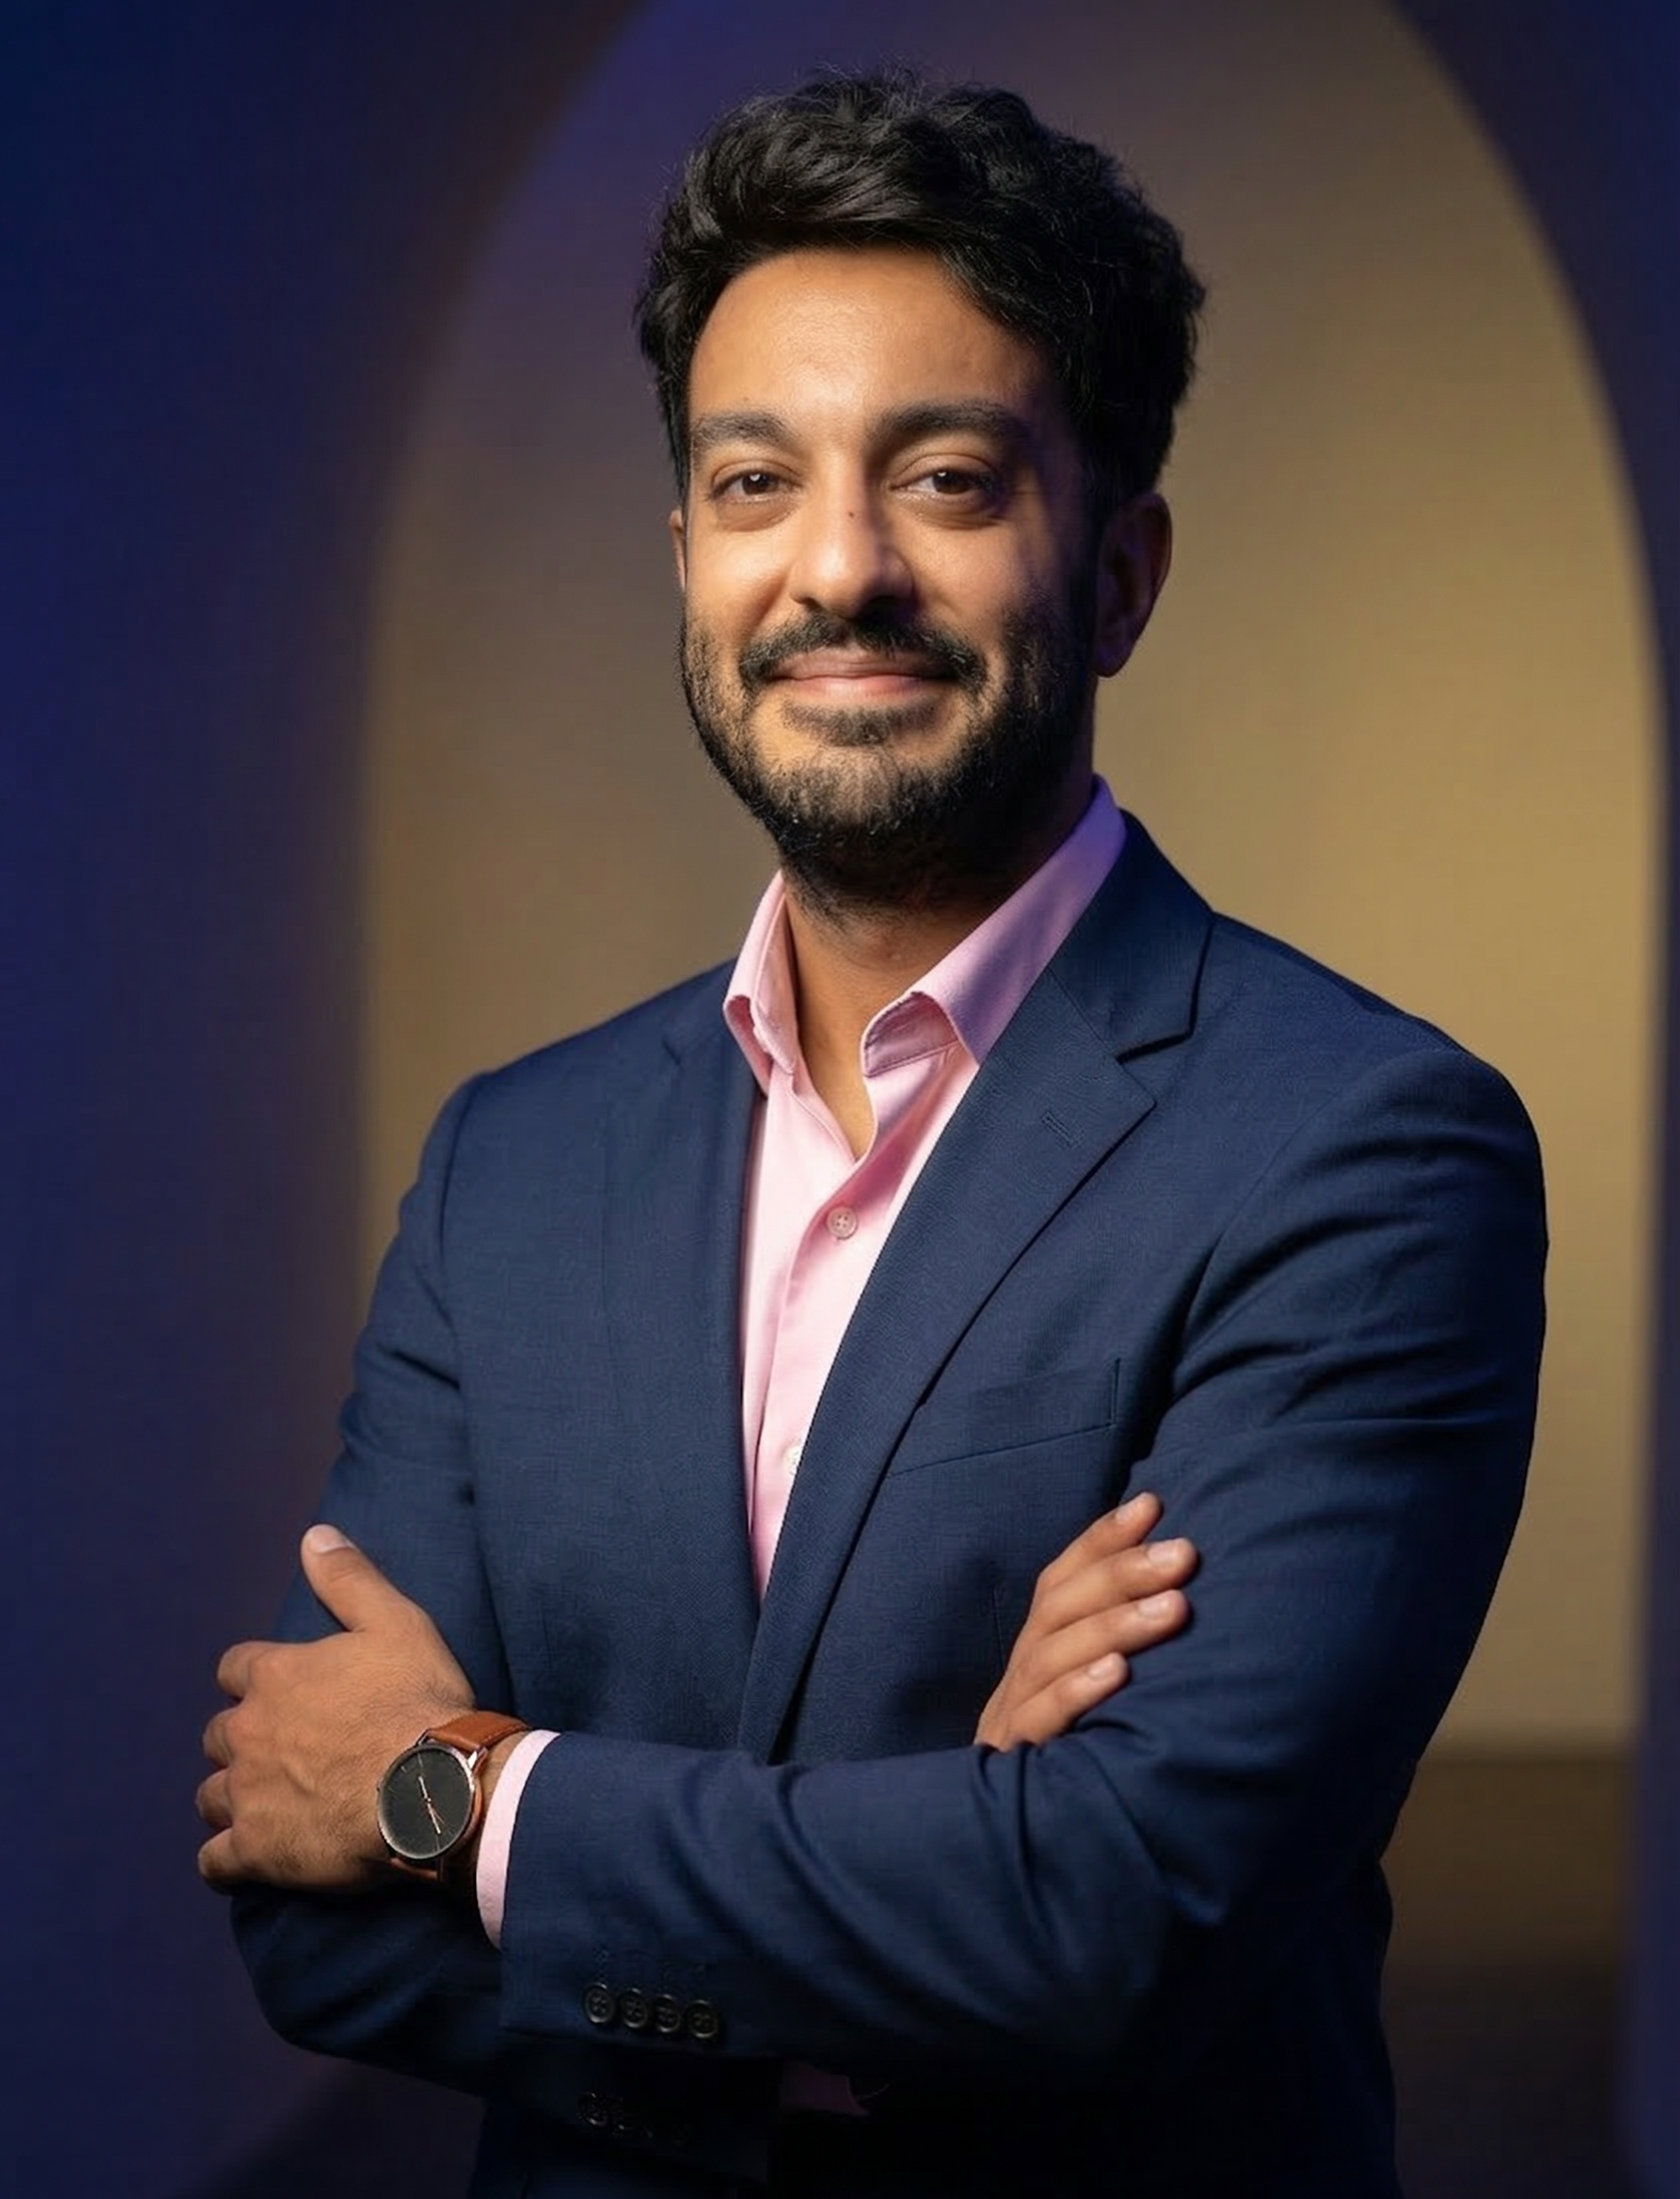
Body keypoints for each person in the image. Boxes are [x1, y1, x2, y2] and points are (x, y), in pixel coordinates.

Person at [196, 69, 1545, 2198]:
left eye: (942, 477)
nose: (837, 567)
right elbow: (302, 1912)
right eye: (754, 482)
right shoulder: (508, 1169)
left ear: (1116, 572)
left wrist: (464, 1800)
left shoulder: (1362, 1154)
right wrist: (919, 1905)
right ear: (686, 555)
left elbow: (1110, 1925)